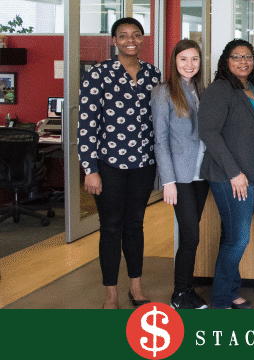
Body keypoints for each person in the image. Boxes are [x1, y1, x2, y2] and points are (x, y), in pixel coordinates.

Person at [78, 17, 159, 309]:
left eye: (136, 35)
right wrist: (90, 169)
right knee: (111, 227)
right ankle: (110, 292)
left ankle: (136, 287)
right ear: (114, 40)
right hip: (109, 164)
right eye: (123, 35)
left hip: (143, 164)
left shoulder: (153, 74)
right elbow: (86, 125)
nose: (130, 40)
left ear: (142, 39)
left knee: (135, 225)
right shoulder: (98, 74)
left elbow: (156, 121)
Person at [199, 39, 254, 309]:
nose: (243, 61)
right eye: (236, 57)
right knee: (238, 239)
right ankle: (220, 300)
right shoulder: (220, 89)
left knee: (232, 237)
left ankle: (228, 291)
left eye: (248, 56)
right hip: (231, 176)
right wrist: (234, 173)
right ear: (225, 61)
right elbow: (209, 132)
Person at [152, 39, 209, 309]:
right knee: (191, 236)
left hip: (201, 175)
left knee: (191, 235)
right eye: (184, 59)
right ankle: (179, 294)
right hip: (181, 177)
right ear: (174, 62)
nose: (190, 64)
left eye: (194, 59)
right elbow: (160, 140)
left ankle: (186, 289)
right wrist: (169, 182)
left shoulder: (199, 89)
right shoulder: (164, 92)